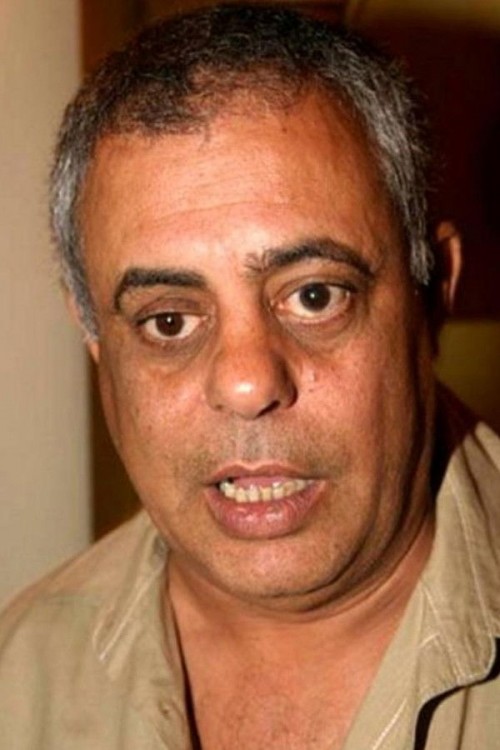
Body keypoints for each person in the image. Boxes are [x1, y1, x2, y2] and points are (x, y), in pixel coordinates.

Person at [1, 4, 499, 748]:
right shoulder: (22, 677)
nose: (246, 383)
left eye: (315, 296)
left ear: (433, 299)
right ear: (96, 341)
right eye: (169, 321)